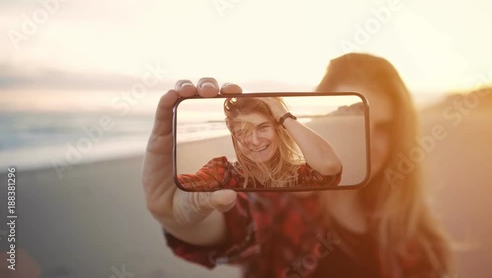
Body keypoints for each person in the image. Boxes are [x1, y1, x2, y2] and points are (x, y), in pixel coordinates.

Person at [142, 53, 456, 277]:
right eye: (361, 120)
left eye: (384, 128)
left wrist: (282, 115)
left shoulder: (418, 237)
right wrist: (182, 219)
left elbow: (329, 167)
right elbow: (239, 224)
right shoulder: (281, 201)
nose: (370, 143)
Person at [176, 96, 343, 190]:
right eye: (243, 131)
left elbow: (329, 165)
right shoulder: (223, 173)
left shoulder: (300, 176)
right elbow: (178, 187)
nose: (255, 141)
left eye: (263, 128)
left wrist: (284, 116)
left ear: (279, 128)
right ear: (232, 132)